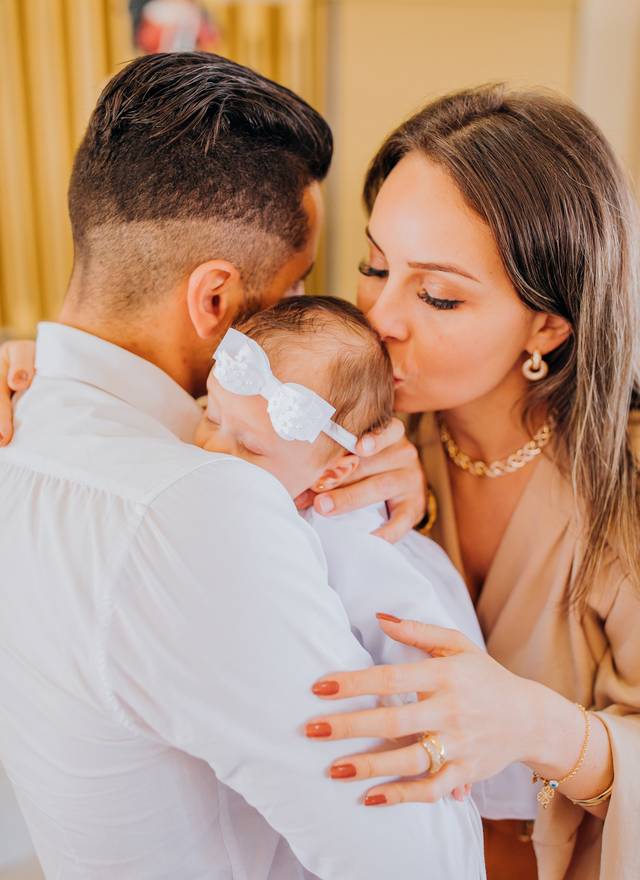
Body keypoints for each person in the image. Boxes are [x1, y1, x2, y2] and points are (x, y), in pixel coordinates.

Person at [0, 53, 483, 879]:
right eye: (291, 294)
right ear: (216, 301)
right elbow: (417, 861)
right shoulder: (200, 506)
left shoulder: (25, 432)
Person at [299, 86, 640, 880]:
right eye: (375, 265)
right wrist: (44, 379)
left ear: (548, 325)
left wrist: (539, 727)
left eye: (438, 293)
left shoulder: (621, 488)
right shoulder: (343, 427)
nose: (380, 316)